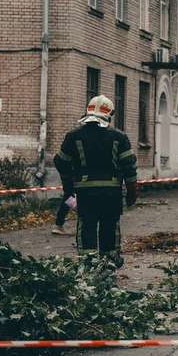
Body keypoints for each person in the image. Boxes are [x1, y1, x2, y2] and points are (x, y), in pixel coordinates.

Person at [53, 95, 137, 263]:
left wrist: (68, 188)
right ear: (109, 114)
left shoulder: (73, 136)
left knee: (87, 227)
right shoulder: (119, 137)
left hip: (85, 194)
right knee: (110, 227)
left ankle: (88, 264)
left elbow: (60, 161)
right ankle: (109, 263)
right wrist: (131, 193)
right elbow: (129, 167)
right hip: (111, 194)